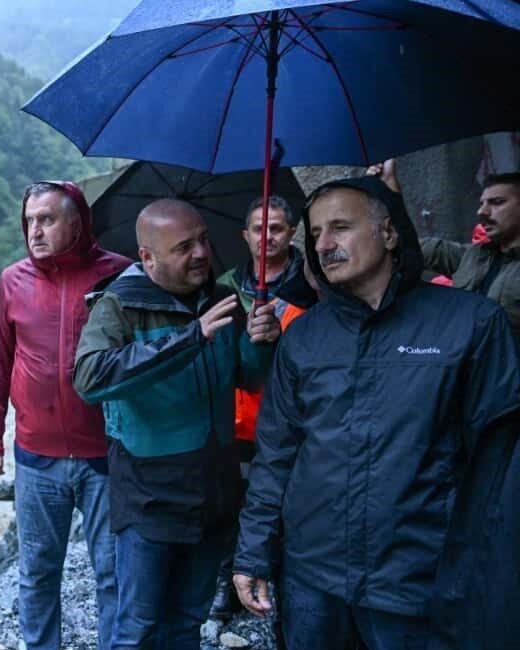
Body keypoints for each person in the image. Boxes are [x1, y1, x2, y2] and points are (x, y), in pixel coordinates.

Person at [232, 175, 520, 650]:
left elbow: (500, 470)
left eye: (340, 227)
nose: (324, 244)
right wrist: (254, 553)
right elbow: (276, 455)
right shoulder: (303, 337)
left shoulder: (471, 323)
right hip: (313, 579)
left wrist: (487, 578)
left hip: (418, 579)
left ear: (389, 233)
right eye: (316, 232)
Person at [72, 199, 280, 649]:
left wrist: (262, 342)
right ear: (148, 258)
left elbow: (247, 374)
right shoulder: (119, 305)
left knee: (187, 622)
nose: (202, 253)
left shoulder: (224, 299)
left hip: (214, 493)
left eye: (203, 239)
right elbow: (89, 379)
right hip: (150, 499)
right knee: (138, 628)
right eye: (184, 247)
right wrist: (189, 338)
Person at [0, 181, 130, 649]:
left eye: (46, 219)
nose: (35, 230)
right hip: (36, 456)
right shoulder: (13, 280)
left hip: (105, 454)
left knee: (112, 572)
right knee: (38, 572)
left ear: (77, 221)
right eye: (29, 221)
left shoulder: (120, 275)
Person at [212, 195, 318, 620]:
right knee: (233, 504)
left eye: (276, 228)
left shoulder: (312, 284)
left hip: (296, 418)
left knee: (291, 505)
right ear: (245, 235)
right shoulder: (225, 285)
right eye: (258, 229)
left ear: (292, 233)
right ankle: (228, 581)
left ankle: (284, 583)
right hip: (240, 419)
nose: (266, 237)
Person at [369, 159, 520, 339]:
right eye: (482, 203)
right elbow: (408, 247)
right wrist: (387, 190)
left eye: (497, 202)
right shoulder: (473, 255)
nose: (482, 211)